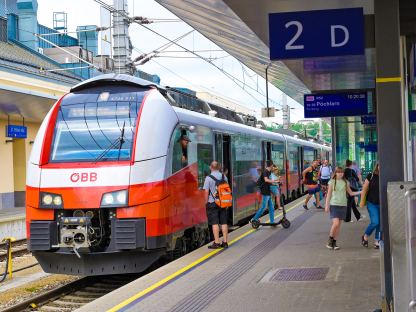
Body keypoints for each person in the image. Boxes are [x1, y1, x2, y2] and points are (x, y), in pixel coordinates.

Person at [325, 167, 361, 250]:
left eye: (342, 172)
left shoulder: (345, 182)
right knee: (336, 223)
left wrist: (361, 192)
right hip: (334, 204)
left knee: (338, 226)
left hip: (343, 205)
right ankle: (330, 240)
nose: (340, 174)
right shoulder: (332, 182)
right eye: (338, 172)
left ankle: (334, 242)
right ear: (335, 173)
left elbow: (351, 193)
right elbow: (329, 194)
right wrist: (327, 205)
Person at [203, 161, 229, 249]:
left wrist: (206, 202)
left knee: (215, 223)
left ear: (211, 167)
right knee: (224, 222)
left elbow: (206, 192)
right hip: (223, 202)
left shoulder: (208, 178)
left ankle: (217, 242)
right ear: (219, 167)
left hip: (212, 203)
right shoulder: (224, 176)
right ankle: (225, 242)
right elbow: (227, 190)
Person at [360, 163, 381, 249]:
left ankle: (377, 241)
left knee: (380, 223)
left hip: (382, 203)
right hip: (371, 203)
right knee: (375, 222)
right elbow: (364, 189)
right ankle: (365, 235)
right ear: (377, 166)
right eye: (380, 165)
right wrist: (361, 201)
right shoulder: (371, 176)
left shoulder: (386, 175)